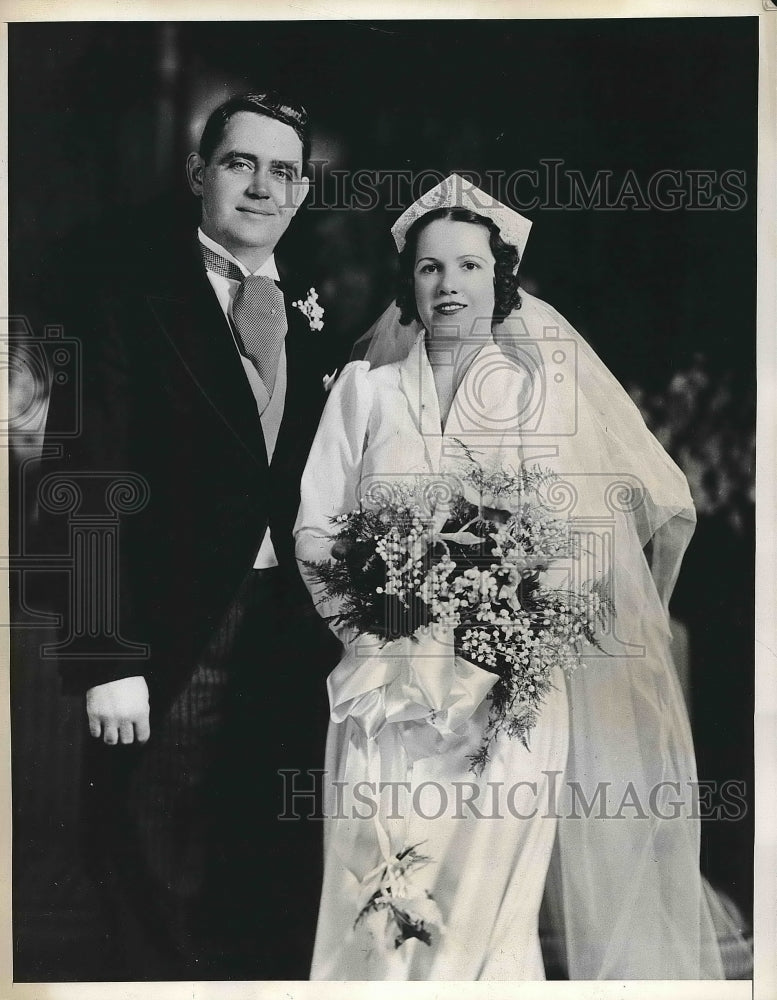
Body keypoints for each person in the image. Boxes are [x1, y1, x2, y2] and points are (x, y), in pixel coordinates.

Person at [294, 174, 742, 979]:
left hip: (504, 701)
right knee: (376, 907)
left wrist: (503, 625)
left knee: (479, 921)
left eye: (468, 266)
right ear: (409, 283)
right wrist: (376, 622)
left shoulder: (537, 401)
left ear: (500, 281)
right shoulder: (365, 394)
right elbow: (317, 526)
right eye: (430, 269)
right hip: (382, 694)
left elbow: (574, 545)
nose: (449, 285)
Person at [41, 92, 340, 980]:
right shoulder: (128, 298)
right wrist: (105, 657)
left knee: (261, 874)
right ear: (198, 174)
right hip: (168, 636)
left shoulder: (313, 306)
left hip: (287, 639)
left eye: (283, 170)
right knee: (152, 870)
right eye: (241, 162)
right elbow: (84, 477)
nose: (262, 185)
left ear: (302, 190)